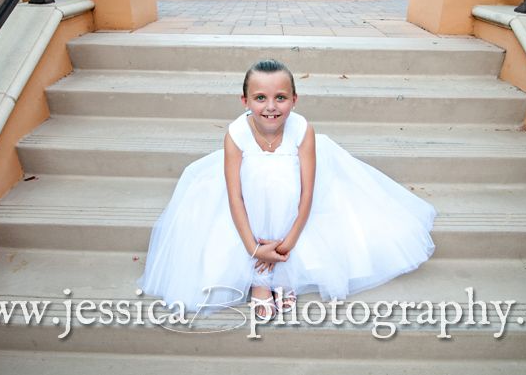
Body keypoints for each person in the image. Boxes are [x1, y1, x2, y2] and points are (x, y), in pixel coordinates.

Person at [137, 60, 436, 319]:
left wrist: (289, 243)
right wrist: (253, 248)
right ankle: (260, 277)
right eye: (260, 98)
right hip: (248, 211)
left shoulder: (303, 130)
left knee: (282, 183)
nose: (270, 106)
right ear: (244, 101)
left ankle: (283, 270)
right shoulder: (235, 134)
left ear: (294, 99)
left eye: (280, 97)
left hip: (295, 211)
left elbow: (308, 192)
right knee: (258, 180)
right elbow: (235, 196)